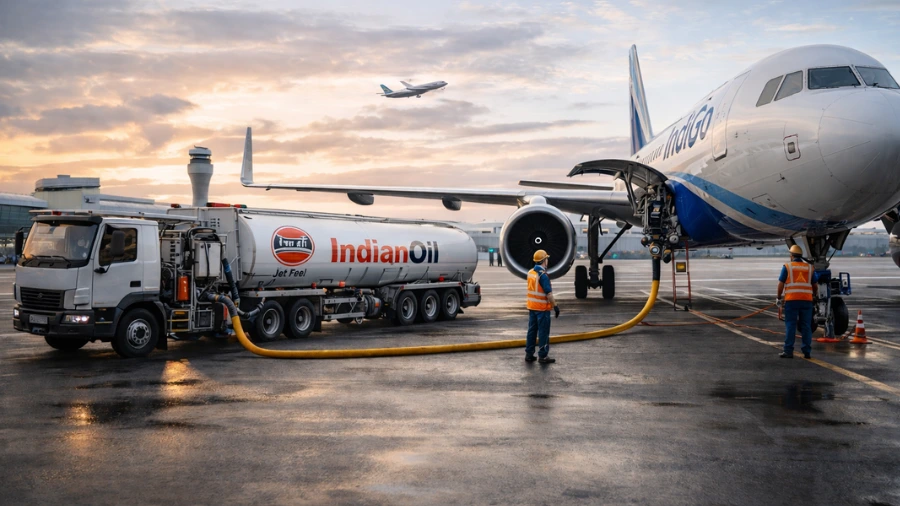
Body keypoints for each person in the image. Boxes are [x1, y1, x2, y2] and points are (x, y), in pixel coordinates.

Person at [776, 245, 818, 359]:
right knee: (806, 326)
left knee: (791, 325)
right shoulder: (809, 268)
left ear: (791, 256)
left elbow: (781, 284)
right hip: (806, 301)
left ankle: (788, 351)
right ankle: (807, 351)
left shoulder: (787, 267)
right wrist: (814, 296)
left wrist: (778, 298)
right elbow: (815, 285)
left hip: (792, 301)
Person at [525, 249, 559, 364]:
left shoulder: (530, 273)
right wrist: (555, 306)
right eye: (547, 259)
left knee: (531, 331)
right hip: (542, 309)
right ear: (544, 260)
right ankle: (543, 356)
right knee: (543, 332)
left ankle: (529, 354)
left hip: (532, 307)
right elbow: (548, 294)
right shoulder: (543, 276)